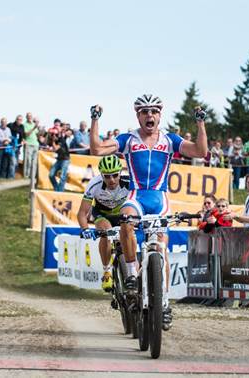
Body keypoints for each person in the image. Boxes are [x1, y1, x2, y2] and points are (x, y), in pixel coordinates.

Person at [89, 94, 208, 331]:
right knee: (125, 220)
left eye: (153, 111)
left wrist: (200, 124)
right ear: (138, 115)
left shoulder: (170, 139)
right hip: (137, 196)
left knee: (161, 248)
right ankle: (132, 275)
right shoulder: (128, 139)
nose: (149, 116)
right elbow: (96, 149)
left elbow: (200, 151)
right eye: (144, 112)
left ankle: (163, 304)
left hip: (159, 198)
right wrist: (95, 120)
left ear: (159, 115)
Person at [77, 155, 130, 291]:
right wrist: (85, 229)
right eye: (107, 176)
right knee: (106, 233)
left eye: (114, 175)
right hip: (102, 214)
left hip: (122, 214)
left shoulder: (129, 181)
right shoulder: (94, 184)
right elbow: (82, 213)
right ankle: (107, 271)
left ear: (120, 172)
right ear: (101, 175)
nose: (111, 180)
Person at [48, 126, 70, 191]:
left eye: (55, 134)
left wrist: (53, 141)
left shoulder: (61, 139)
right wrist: (51, 139)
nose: (54, 135)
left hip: (65, 160)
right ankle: (57, 189)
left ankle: (60, 192)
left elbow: (55, 148)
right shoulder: (52, 140)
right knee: (51, 175)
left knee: (63, 176)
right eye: (52, 134)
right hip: (59, 159)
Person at [22, 112, 40, 182]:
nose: (30, 117)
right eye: (28, 116)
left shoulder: (33, 124)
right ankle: (26, 176)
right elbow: (26, 134)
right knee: (28, 161)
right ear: (26, 117)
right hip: (28, 144)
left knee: (34, 161)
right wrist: (33, 128)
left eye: (31, 116)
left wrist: (40, 129)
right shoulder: (24, 125)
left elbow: (37, 134)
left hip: (35, 144)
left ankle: (32, 176)